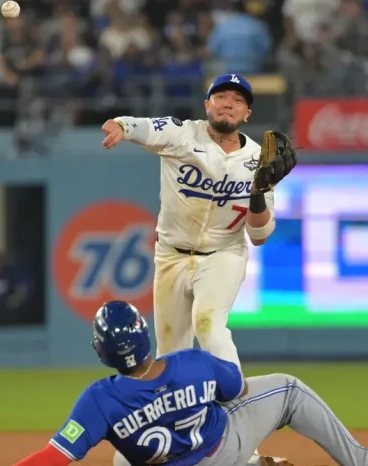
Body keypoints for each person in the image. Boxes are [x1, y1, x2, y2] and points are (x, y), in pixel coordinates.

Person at [100, 73, 295, 462]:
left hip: (223, 254)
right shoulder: (181, 134)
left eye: (237, 100)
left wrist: (258, 194)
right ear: (207, 106)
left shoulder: (258, 160)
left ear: (246, 113)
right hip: (171, 255)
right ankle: (179, 447)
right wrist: (119, 126)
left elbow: (259, 235)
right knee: (171, 356)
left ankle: (249, 451)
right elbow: (138, 125)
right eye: (220, 96)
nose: (227, 103)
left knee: (209, 326)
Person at [12, 301, 368, 466]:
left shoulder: (98, 401)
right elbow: (237, 390)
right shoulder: (191, 363)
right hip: (221, 451)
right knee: (290, 390)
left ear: (101, 352)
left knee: (121, 459)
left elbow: (54, 456)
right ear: (143, 334)